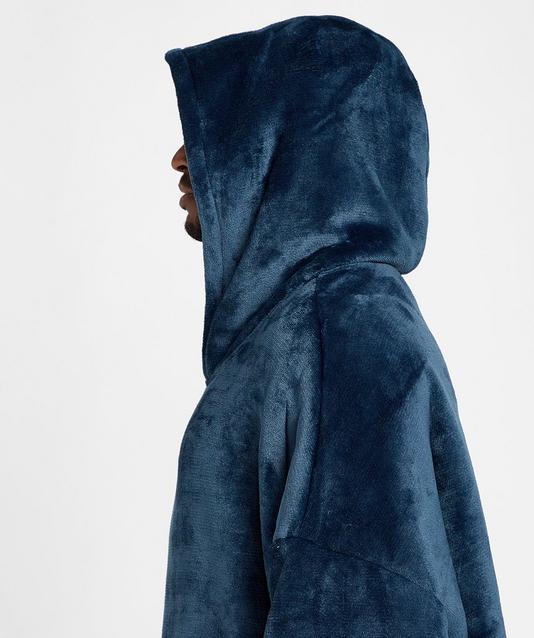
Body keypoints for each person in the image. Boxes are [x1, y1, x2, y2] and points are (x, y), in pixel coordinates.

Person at [162, 15, 506, 638]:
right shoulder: (314, 328)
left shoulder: (339, 334)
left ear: (298, 146)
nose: (183, 160)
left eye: (221, 131)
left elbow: (368, 612)